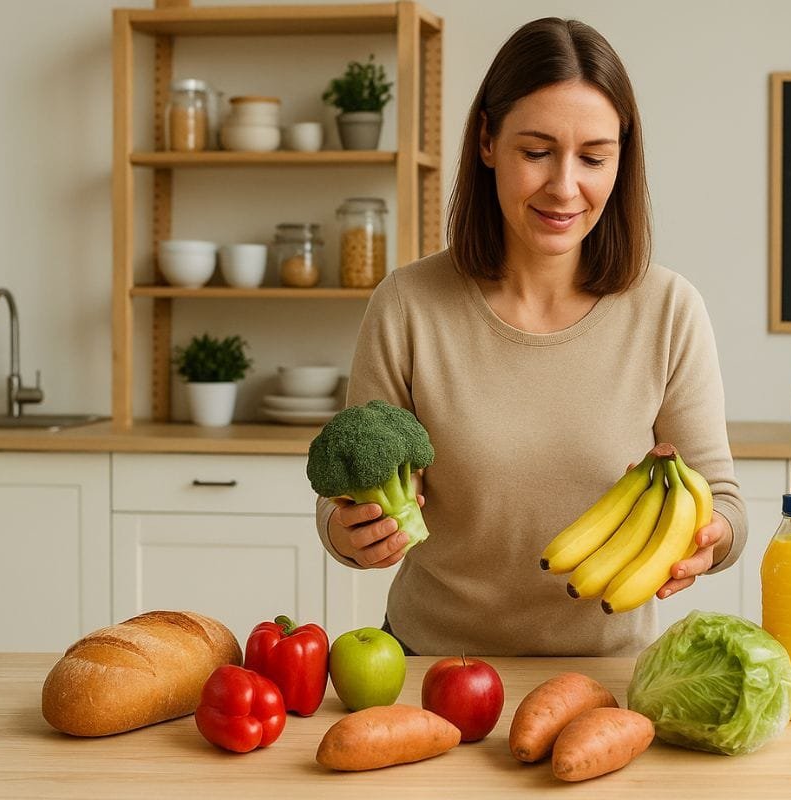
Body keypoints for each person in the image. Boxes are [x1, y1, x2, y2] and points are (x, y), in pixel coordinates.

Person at [315, 17, 747, 656]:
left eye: (595, 157)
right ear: (488, 141)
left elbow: (727, 504)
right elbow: (344, 492)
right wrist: (347, 533)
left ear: (622, 158)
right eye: (536, 152)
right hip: (426, 670)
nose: (565, 186)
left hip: (606, 684)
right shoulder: (408, 304)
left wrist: (706, 542)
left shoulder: (668, 309)